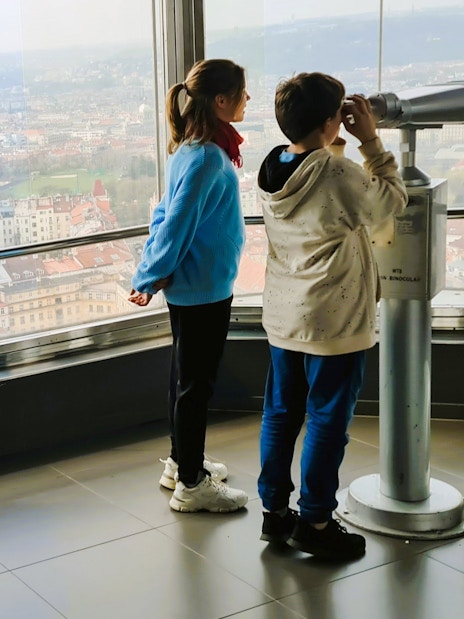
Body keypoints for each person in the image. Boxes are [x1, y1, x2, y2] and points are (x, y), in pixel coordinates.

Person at [256, 72, 408, 560]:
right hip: (334, 322)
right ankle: (316, 520)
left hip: (285, 315)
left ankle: (275, 514)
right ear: (329, 121)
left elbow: (323, 195)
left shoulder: (273, 165)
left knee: (280, 416)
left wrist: (328, 145)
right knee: (325, 420)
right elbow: (389, 202)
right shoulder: (337, 171)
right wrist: (370, 141)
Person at [129, 59, 250, 513]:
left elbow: (163, 215)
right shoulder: (205, 159)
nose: (247, 99)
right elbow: (175, 224)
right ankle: (192, 485)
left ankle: (181, 463)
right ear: (221, 100)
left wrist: (151, 272)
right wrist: (148, 274)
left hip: (194, 284)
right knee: (196, 386)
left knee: (184, 378)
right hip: (204, 288)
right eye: (242, 92)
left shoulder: (190, 150)